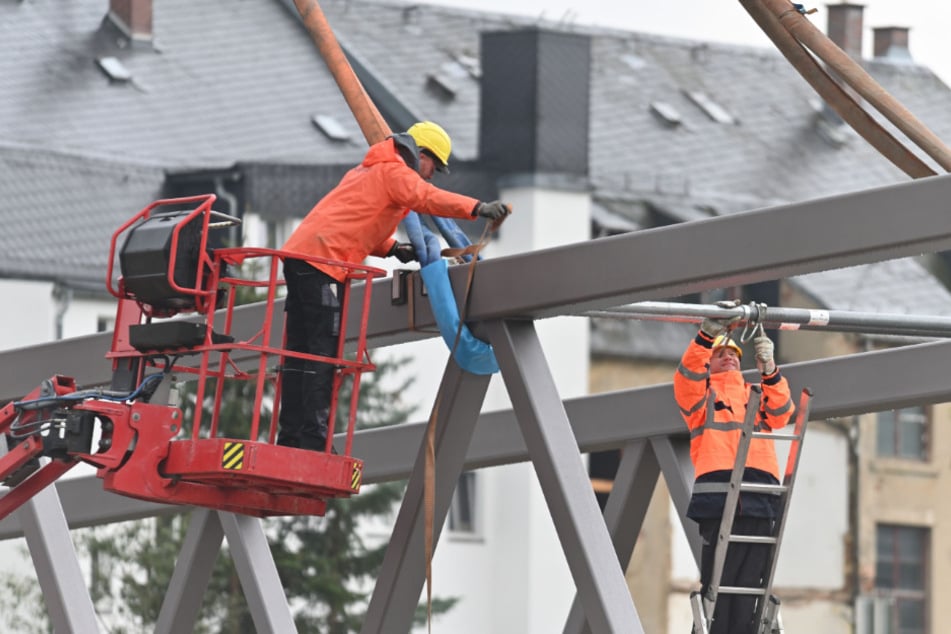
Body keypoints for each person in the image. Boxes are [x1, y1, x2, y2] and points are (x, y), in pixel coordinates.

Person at [277, 121, 511, 452]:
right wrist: (477, 208)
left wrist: (391, 248)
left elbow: (353, 220)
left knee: (299, 352)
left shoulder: (368, 170)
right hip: (324, 263)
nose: (431, 174)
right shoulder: (396, 173)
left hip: (302, 257)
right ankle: (313, 442)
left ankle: (290, 438)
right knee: (322, 352)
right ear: (422, 155)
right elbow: (427, 198)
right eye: (434, 166)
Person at [673, 315, 795, 634]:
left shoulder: (755, 393)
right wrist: (704, 338)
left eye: (734, 355)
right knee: (719, 583)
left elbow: (783, 413)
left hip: (759, 495)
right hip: (720, 497)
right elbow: (686, 378)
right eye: (720, 353)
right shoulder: (702, 397)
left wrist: (770, 370)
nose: (729, 357)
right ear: (708, 362)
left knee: (750, 583)